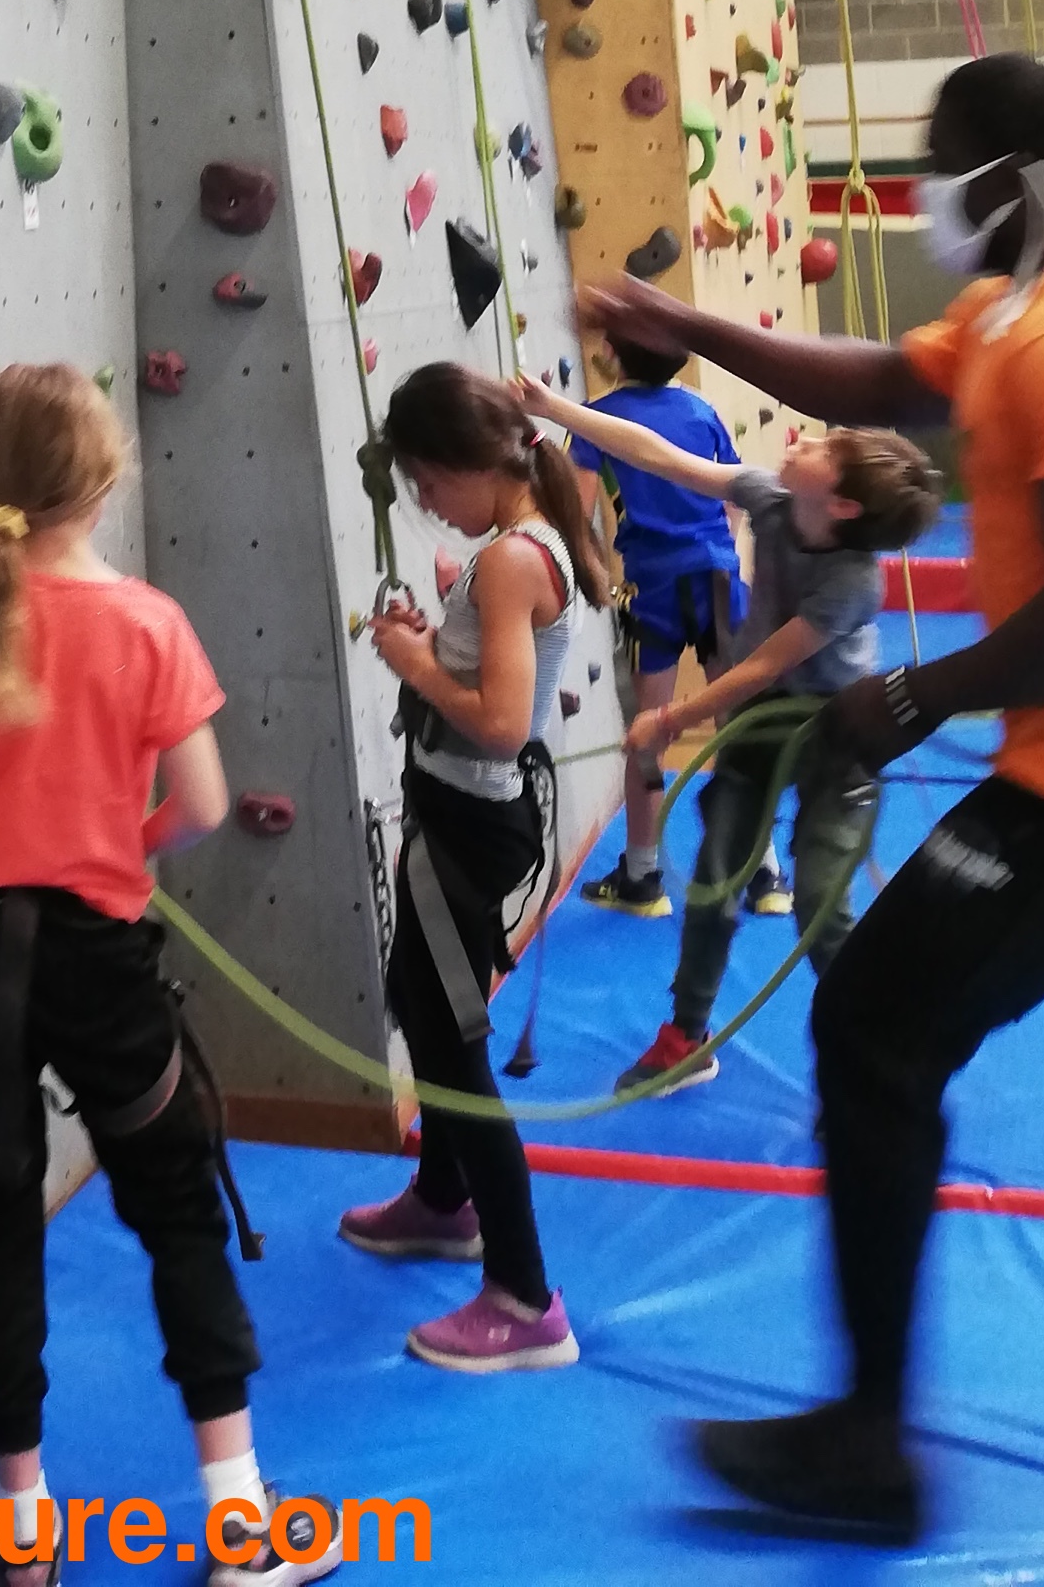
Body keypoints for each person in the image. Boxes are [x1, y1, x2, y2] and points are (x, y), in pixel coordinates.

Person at [582, 51, 1044, 1552]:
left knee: (875, 1022)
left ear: (1014, 180)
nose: (923, 192)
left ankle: (868, 1445)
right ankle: (866, 1436)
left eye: (945, 164)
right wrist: (691, 327)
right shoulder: (1021, 309)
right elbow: (883, 380)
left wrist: (913, 700)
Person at [0, 364, 336, 1584]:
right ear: (106, 480)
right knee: (176, 1205)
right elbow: (200, 805)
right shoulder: (147, 625)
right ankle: (240, 1519)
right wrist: (120, 846)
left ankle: (22, 1527)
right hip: (94, 955)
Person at [527, 375, 940, 1090]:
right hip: (759, 727)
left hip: (837, 735)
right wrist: (557, 409)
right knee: (714, 881)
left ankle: (874, 1055)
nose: (808, 438)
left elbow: (765, 664)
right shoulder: (773, 499)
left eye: (827, 448)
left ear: (841, 506)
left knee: (820, 904)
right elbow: (659, 457)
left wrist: (667, 720)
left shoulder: (854, 582)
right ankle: (687, 1037)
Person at [338, 364, 612, 1374]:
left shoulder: (509, 562)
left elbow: (499, 724)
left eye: (426, 483)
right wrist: (434, 649)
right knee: (424, 1007)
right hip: (462, 811)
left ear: (464, 464)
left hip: (471, 818)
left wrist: (415, 665)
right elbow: (498, 685)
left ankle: (525, 1297)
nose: (425, 503)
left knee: (453, 1052)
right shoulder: (525, 540)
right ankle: (444, 1197)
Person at [559, 330, 767, 921]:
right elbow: (734, 496)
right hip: (718, 578)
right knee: (737, 720)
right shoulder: (701, 411)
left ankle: (642, 875)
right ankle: (765, 870)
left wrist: (597, 579)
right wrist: (719, 553)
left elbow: (576, 514)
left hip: (653, 587)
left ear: (612, 354)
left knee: (648, 730)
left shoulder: (596, 420)